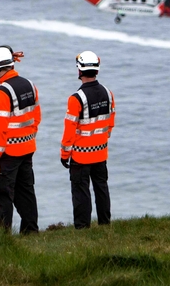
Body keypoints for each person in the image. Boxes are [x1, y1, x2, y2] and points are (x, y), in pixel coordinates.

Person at [0, 45, 41, 235]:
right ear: (12, 64)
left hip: (7, 153)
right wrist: (29, 137)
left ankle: (2, 236)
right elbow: (36, 117)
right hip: (28, 147)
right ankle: (30, 231)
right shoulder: (30, 85)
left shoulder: (3, 92)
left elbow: (0, 125)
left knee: (0, 194)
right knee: (26, 191)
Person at [60, 51, 116, 229]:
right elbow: (110, 122)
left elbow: (69, 130)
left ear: (79, 71)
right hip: (101, 152)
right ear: (97, 70)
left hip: (81, 155)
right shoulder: (108, 93)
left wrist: (65, 154)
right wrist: (102, 139)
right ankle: (105, 223)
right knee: (101, 188)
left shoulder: (76, 99)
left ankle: (83, 227)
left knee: (81, 191)